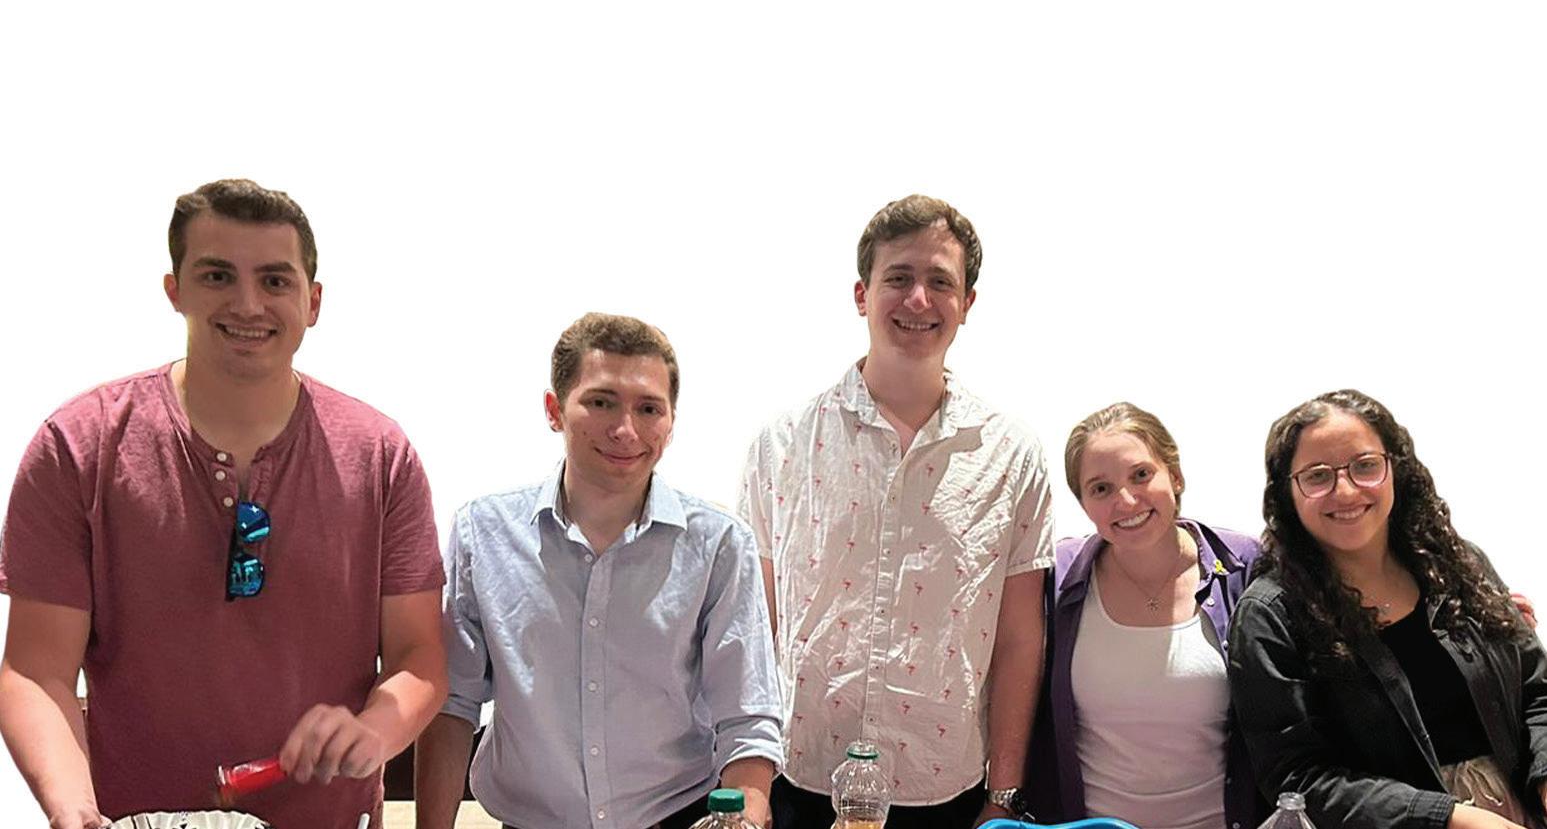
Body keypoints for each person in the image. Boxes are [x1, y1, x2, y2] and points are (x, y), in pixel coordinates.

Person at [0, 179, 448, 829]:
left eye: (274, 280)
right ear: (174, 289)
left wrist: (375, 728)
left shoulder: (381, 455)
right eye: (216, 275)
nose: (247, 303)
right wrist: (73, 809)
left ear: (312, 302)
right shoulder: (78, 447)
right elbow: (36, 670)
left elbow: (418, 657)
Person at [739, 194, 1054, 829]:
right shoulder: (783, 444)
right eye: (899, 278)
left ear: (966, 303)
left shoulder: (1012, 454)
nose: (918, 299)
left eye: (940, 282)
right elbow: (754, 625)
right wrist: (751, 782)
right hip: (802, 777)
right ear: (862, 295)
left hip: (945, 787)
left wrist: (1004, 795)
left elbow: (1020, 638)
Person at [415, 313, 782, 829]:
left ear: (671, 422)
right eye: (601, 402)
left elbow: (747, 720)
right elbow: (453, 703)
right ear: (554, 410)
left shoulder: (720, 545)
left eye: (648, 408)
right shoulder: (484, 534)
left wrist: (743, 819)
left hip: (677, 816)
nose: (625, 430)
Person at [1228, 389, 1547, 829]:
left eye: (1365, 466)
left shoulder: (1459, 565)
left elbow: (1536, 690)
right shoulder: (1270, 616)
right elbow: (1297, 775)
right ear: (1287, 492)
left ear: (1395, 467)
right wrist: (1449, 818)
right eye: (1317, 476)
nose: (1345, 491)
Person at [1027, 402, 1264, 829]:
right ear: (1083, 504)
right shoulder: (1056, 577)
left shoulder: (1244, 567)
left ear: (1175, 476)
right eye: (1101, 488)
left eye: (1141, 475)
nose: (1126, 500)